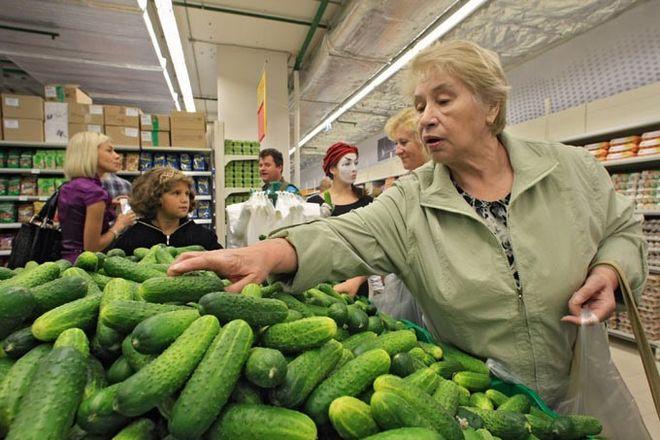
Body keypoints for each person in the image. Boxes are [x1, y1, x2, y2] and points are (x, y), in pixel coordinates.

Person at [167, 40, 647, 412]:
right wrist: (265, 253)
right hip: (481, 402)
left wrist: (608, 271)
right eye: (420, 107)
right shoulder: (411, 201)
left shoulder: (569, 170)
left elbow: (622, 228)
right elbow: (341, 235)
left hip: (580, 384)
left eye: (443, 100)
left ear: (491, 107)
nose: (426, 120)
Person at [371, 107, 432, 323]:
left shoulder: (442, 185)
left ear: (424, 140)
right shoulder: (404, 188)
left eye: (403, 142)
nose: (397, 150)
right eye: (396, 143)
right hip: (408, 288)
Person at [307, 142, 373, 296]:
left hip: (357, 281)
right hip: (323, 283)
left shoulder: (366, 202)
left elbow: (373, 247)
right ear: (332, 169)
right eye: (347, 163)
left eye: (355, 163)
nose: (354, 168)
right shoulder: (314, 203)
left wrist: (357, 280)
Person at [59, 132, 136, 263]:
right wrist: (119, 225)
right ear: (90, 154)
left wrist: (107, 205)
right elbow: (92, 248)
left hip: (66, 261)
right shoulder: (95, 193)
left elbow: (78, 216)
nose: (117, 156)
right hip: (86, 265)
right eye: (109, 151)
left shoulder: (70, 186)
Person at [111, 167, 221, 255]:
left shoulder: (203, 237)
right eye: (176, 193)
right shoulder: (132, 237)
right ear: (155, 197)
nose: (184, 200)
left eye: (187, 194)